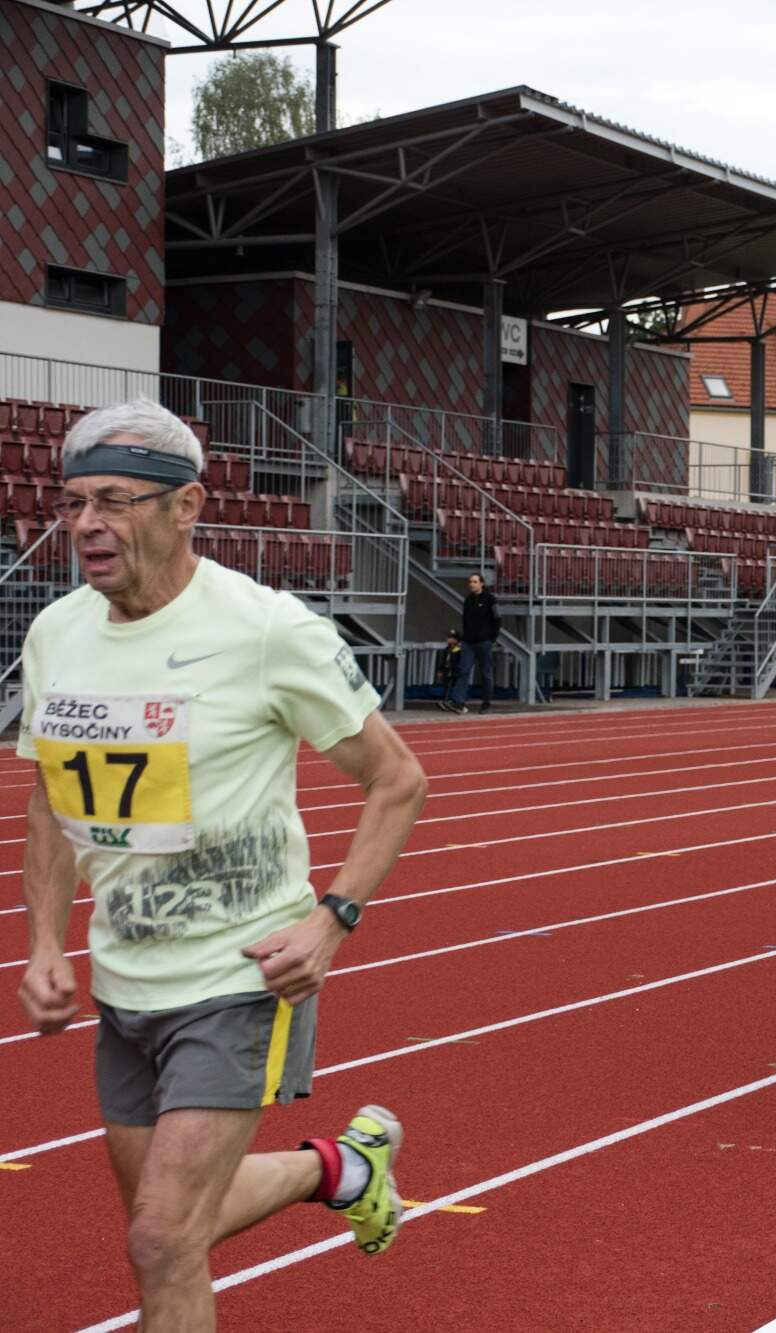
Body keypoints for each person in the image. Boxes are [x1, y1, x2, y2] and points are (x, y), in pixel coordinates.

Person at [16, 401, 429, 1328]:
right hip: (125, 982)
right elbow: (52, 796)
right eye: (76, 502)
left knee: (161, 1239)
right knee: (168, 1233)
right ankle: (344, 1167)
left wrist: (332, 921)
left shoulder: (264, 628)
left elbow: (397, 779)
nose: (86, 525)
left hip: (242, 980)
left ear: (186, 506)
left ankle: (341, 1166)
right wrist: (44, 940)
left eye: (115, 501)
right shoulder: (57, 636)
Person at [448, 572, 500, 714]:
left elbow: (496, 620)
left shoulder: (490, 599)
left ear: (481, 583)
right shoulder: (468, 600)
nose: (472, 584)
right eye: (470, 581)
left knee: (486, 673)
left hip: (484, 642)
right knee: (463, 671)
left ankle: (486, 703)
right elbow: (465, 620)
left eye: (475, 581)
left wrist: (491, 639)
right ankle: (458, 701)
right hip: (468, 642)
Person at [434, 629, 463, 704]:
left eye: (450, 637)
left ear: (456, 640)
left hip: (455, 671)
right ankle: (445, 700)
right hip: (447, 670)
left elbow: (460, 662)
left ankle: (455, 700)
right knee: (446, 685)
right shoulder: (447, 649)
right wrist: (440, 670)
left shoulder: (459, 650)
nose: (447, 639)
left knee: (454, 686)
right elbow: (443, 660)